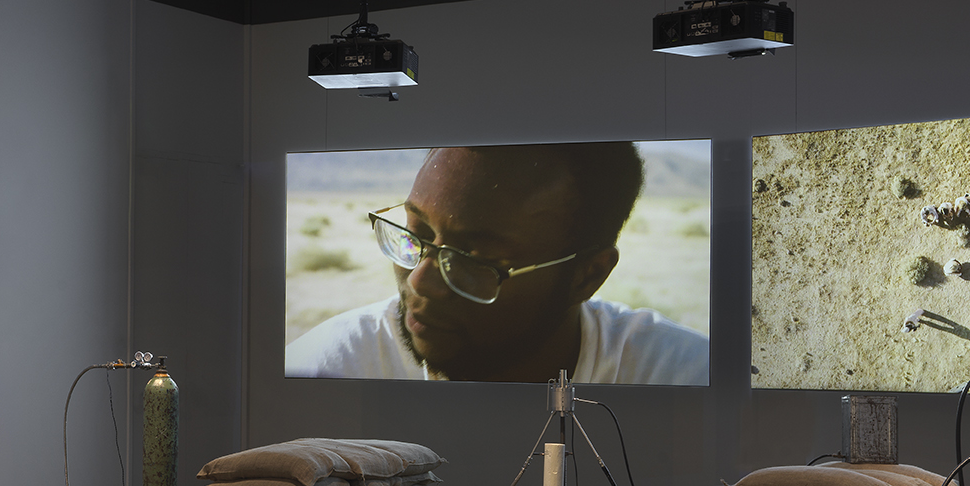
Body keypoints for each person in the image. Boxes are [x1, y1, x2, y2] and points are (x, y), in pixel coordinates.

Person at [285, 142, 708, 385]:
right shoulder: (326, 369)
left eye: (476, 259)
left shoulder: (681, 376)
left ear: (587, 275)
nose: (421, 282)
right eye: (417, 233)